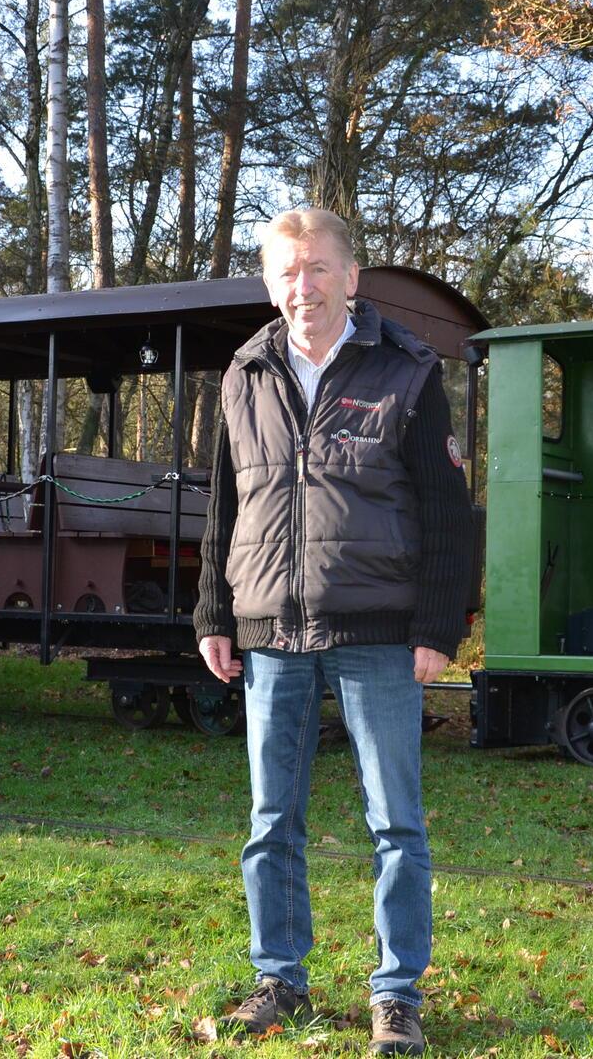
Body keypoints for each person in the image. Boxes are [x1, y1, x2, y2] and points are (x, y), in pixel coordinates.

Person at [195, 206, 472, 1056]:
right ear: (270, 284)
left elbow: (448, 513)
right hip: (271, 629)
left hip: (381, 633)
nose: (302, 286)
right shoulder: (244, 373)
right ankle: (280, 979)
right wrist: (214, 610)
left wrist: (435, 624)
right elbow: (223, 503)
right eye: (287, 272)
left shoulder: (409, 374)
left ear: (352, 278)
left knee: (396, 823)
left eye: (318, 268)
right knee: (271, 819)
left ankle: (397, 995)